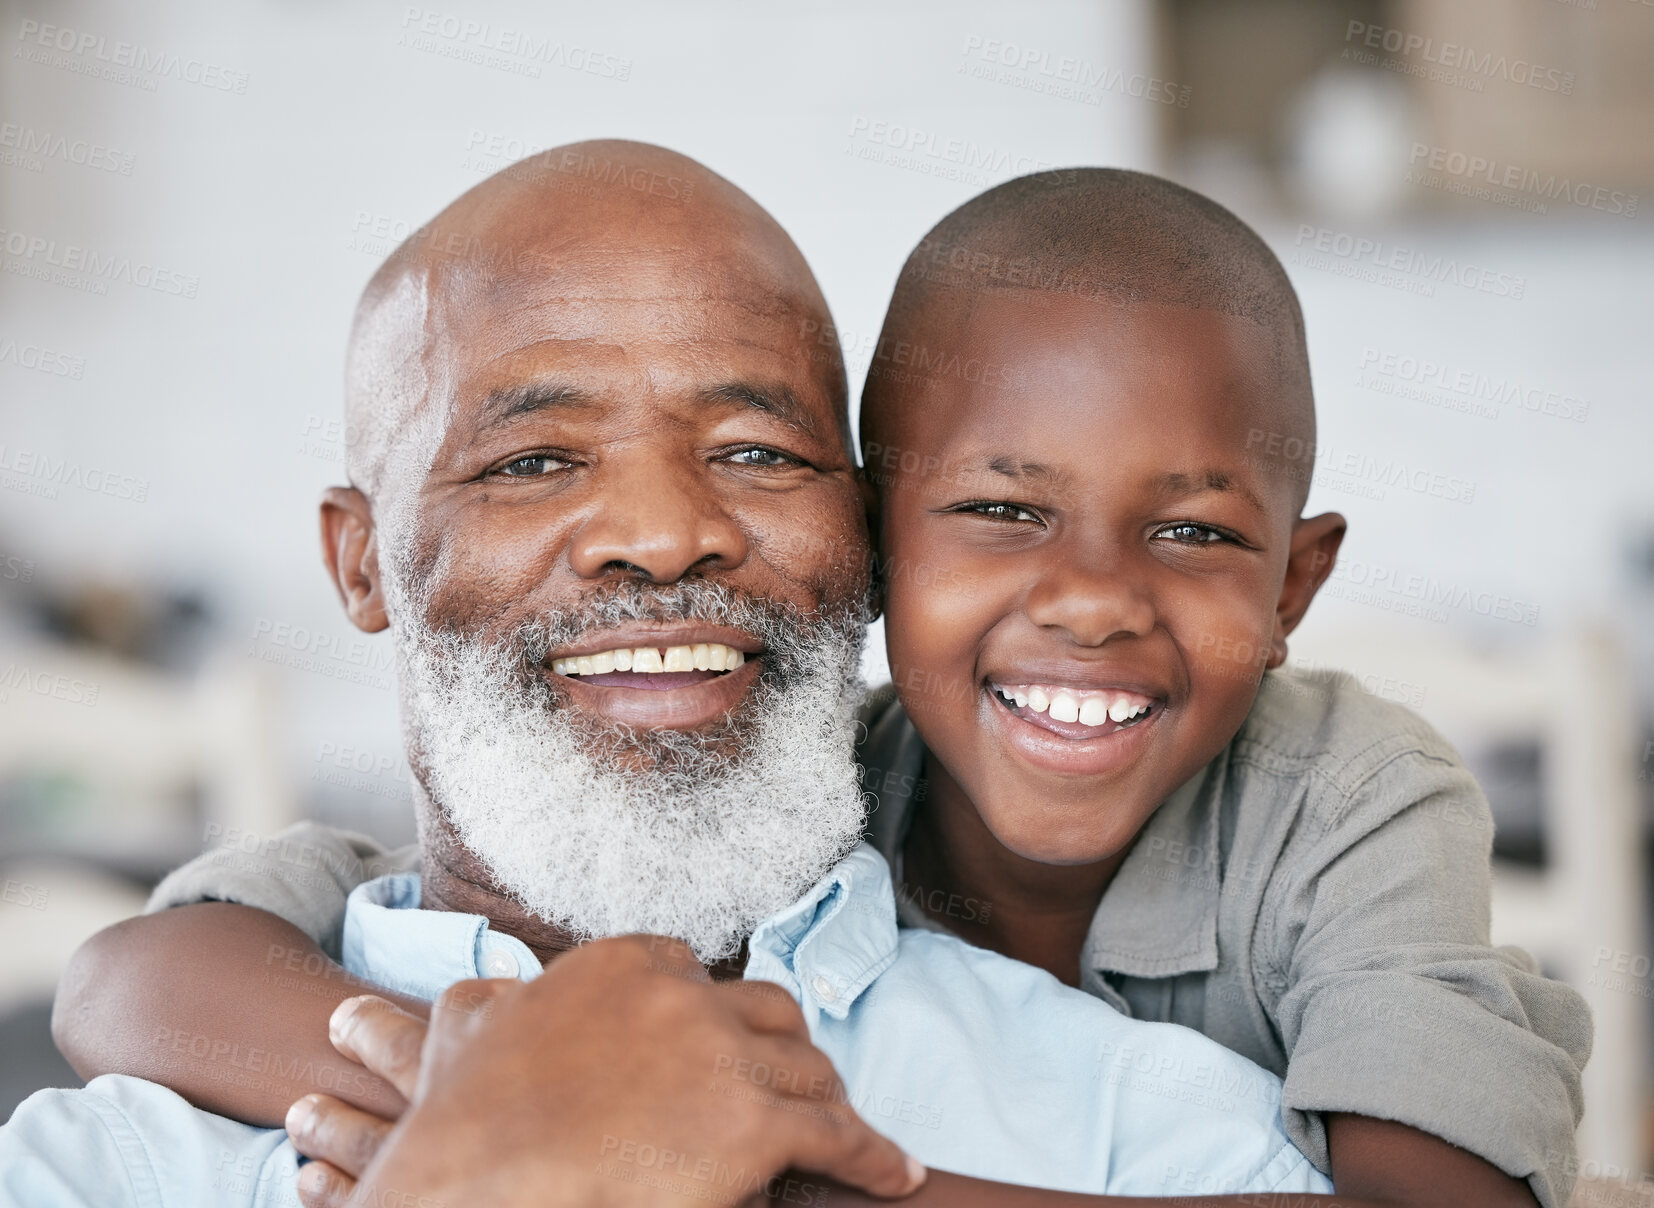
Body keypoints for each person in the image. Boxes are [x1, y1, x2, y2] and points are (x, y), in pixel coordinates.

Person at [51, 161, 1590, 1208]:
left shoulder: (1188, 1090)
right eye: (533, 459)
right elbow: (130, 971)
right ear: (361, 563)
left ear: (845, 538)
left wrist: (766, 1164)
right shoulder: (133, 1135)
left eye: (753, 452)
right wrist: (505, 1124)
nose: (662, 534)